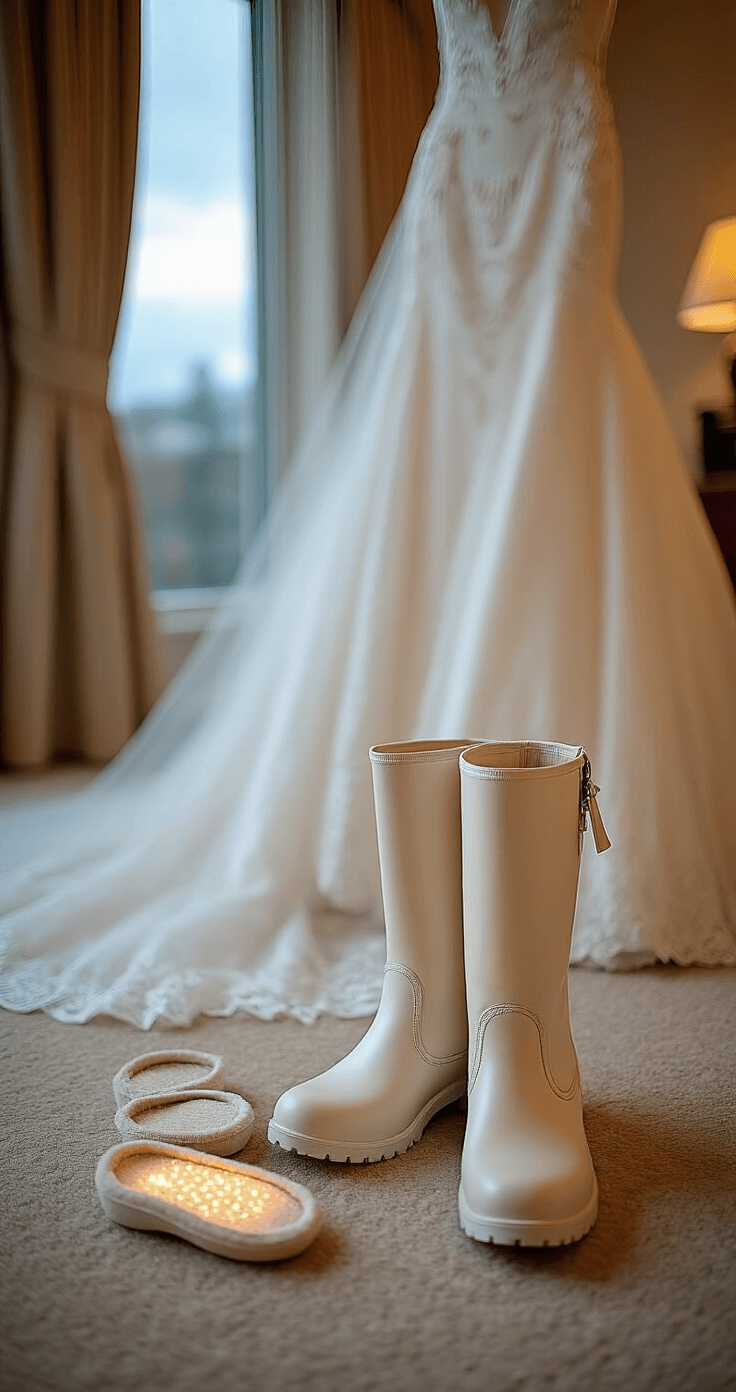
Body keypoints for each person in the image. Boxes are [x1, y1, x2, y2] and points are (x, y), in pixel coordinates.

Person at [1, 0, 735, 1030]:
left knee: (551, 439)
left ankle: (528, 841)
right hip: (452, 173)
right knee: (423, 471)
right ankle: (420, 845)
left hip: (564, 170)